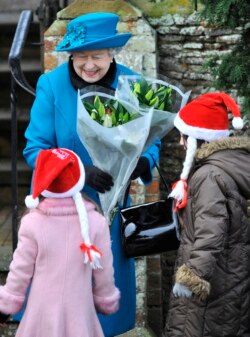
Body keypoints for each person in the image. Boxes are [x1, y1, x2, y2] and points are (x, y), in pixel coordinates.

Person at [22, 12, 160, 336]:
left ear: (112, 53)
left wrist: (145, 161)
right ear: (71, 55)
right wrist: (77, 171)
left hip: (109, 218)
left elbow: (153, 140)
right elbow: (35, 149)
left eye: (97, 56)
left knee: (106, 312)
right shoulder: (51, 86)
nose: (89, 65)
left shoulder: (133, 84)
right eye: (81, 56)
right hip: (62, 214)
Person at [0, 148, 120, 337]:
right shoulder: (96, 222)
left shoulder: (32, 223)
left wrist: (5, 307)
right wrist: (106, 299)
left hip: (40, 319)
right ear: (78, 179)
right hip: (81, 316)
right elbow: (104, 272)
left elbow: (20, 271)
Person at [164, 92, 250, 337]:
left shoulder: (208, 176)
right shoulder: (225, 167)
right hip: (230, 274)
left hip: (213, 284)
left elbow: (211, 231)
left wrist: (193, 276)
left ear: (196, 139)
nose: (180, 143)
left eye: (183, 136)